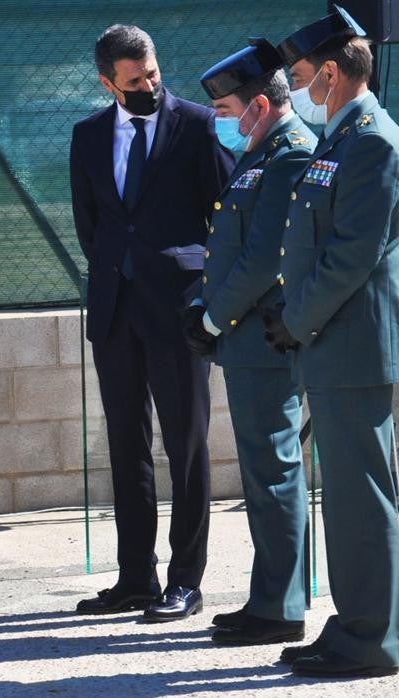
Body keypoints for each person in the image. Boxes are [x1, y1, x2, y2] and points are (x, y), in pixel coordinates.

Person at [69, 24, 233, 621]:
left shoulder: (195, 124)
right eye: (134, 80)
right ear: (108, 81)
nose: (149, 87)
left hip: (179, 312)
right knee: (125, 447)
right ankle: (134, 576)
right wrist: (120, 269)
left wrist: (203, 293)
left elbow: (225, 214)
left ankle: (184, 580)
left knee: (186, 445)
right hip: (115, 311)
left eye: (153, 75)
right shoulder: (88, 135)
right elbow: (92, 225)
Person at [264, 6, 399, 678]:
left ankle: (374, 638)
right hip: (333, 340)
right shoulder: (342, 135)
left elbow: (353, 253)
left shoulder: (373, 139)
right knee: (345, 497)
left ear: (333, 72)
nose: (297, 86)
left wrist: (298, 316)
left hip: (352, 342)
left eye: (301, 74)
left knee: (361, 497)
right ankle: (352, 624)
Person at [187, 40, 316, 646]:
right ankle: (271, 597)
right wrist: (203, 307)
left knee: (274, 474)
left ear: (260, 105)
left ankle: (281, 607)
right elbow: (232, 247)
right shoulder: (261, 153)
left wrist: (212, 319)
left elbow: (265, 258)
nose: (218, 120)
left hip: (263, 340)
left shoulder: (289, 156)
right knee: (264, 473)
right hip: (245, 340)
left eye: (225, 109)